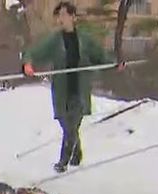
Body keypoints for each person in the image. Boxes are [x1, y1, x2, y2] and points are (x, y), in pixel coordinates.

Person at [22, 2, 123, 173]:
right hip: (62, 90)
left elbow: (100, 56)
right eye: (59, 16)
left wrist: (114, 65)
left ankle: (63, 161)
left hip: (79, 89)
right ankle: (77, 152)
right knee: (66, 124)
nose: (61, 19)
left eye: (64, 15)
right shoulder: (54, 40)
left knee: (72, 126)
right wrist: (28, 64)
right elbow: (34, 52)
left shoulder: (84, 39)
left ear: (73, 17)